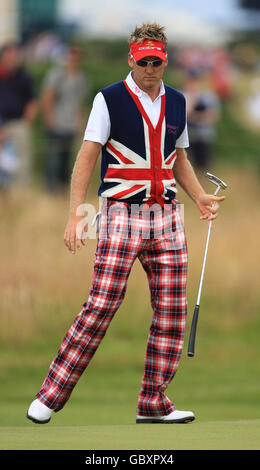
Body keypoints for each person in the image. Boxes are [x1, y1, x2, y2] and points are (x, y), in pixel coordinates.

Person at [27, 22, 225, 425]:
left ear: (165, 60)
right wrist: (74, 214)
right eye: (143, 62)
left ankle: (154, 402)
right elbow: (86, 156)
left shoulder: (179, 102)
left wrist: (199, 196)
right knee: (102, 305)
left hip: (167, 214)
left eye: (156, 61)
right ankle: (50, 395)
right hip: (120, 212)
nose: (150, 68)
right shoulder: (109, 99)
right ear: (131, 59)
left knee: (172, 310)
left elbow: (180, 160)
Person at [41, 45, 88, 193]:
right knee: (54, 158)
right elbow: (48, 97)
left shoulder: (81, 78)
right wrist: (49, 118)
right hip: (57, 123)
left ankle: (62, 189)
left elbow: (80, 102)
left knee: (68, 160)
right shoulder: (57, 75)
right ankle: (50, 190)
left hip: (71, 125)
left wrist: (81, 121)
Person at [0, 42, 38, 186]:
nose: (12, 58)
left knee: (23, 159)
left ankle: (21, 191)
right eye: (9, 55)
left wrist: (26, 123)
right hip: (1, 123)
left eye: (15, 55)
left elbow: (32, 101)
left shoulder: (24, 77)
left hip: (18, 123)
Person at [183, 69, 221, 171]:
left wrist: (194, 116)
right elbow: (185, 114)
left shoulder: (209, 97)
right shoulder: (183, 95)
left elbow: (212, 116)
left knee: (204, 166)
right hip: (187, 137)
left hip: (204, 136)